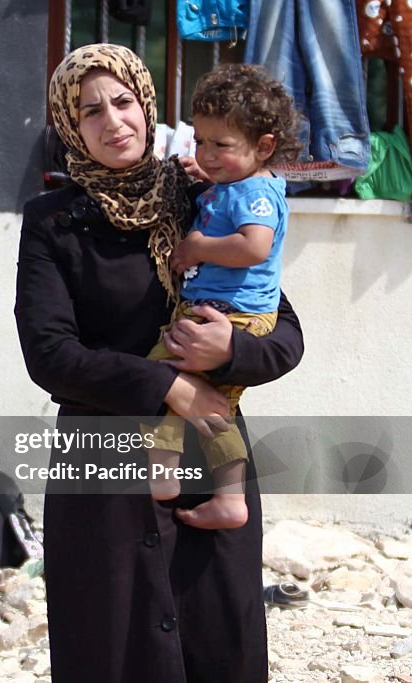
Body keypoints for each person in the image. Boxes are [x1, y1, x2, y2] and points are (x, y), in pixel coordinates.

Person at [14, 43, 304, 682]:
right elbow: (50, 354)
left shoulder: (202, 196)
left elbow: (286, 334)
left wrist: (233, 351)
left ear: (146, 107)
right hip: (103, 459)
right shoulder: (53, 222)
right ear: (69, 124)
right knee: (113, 649)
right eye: (90, 111)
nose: (112, 121)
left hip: (210, 453)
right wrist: (169, 384)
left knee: (217, 646)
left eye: (123, 102)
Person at [144, 63, 301, 531]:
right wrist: (208, 177)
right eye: (201, 141)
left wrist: (197, 248)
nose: (207, 154)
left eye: (221, 145)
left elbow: (253, 246)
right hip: (226, 314)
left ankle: (167, 471)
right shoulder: (236, 184)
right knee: (204, 402)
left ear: (265, 147)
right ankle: (207, 490)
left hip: (234, 319)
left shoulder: (254, 192)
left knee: (160, 376)